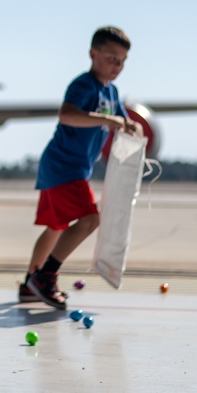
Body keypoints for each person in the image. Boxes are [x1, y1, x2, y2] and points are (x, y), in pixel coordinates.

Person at [20, 26, 143, 310]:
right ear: (93, 53)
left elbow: (123, 120)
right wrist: (109, 120)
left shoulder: (112, 91)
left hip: (63, 168)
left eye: (123, 60)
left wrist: (130, 124)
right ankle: (45, 277)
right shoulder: (84, 85)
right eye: (112, 58)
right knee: (90, 219)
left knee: (55, 227)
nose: (117, 65)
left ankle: (30, 283)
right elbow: (67, 115)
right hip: (65, 167)